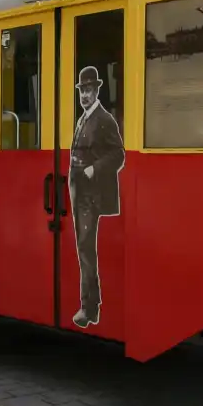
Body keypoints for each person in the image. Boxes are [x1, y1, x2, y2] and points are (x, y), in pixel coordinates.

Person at [67, 66, 125, 329]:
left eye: (89, 90)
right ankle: (92, 303)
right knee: (83, 249)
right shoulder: (83, 119)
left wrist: (93, 169)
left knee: (86, 251)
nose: (85, 95)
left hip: (91, 194)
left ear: (97, 90)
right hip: (79, 191)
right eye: (82, 91)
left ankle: (89, 308)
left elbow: (118, 155)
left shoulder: (104, 119)